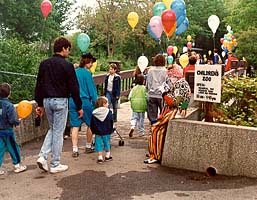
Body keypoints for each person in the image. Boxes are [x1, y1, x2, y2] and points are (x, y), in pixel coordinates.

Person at [35, 37, 83, 174]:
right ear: (63, 48)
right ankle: (55, 163)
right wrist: (79, 106)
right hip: (61, 101)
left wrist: (40, 104)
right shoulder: (67, 65)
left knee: (53, 129)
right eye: (68, 49)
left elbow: (39, 85)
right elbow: (74, 88)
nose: (68, 52)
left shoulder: (44, 64)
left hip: (47, 101)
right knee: (58, 131)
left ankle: (43, 156)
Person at [145, 65, 191, 164]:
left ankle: (155, 155)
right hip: (172, 111)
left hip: (172, 111)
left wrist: (164, 94)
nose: (170, 79)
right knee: (157, 129)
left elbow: (174, 102)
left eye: (171, 76)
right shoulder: (183, 83)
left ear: (176, 75)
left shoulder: (180, 84)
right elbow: (185, 99)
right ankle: (154, 152)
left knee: (156, 129)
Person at [69, 53, 98, 157]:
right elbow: (92, 90)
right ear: (88, 62)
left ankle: (75, 149)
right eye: (91, 63)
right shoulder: (87, 73)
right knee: (90, 124)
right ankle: (88, 146)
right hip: (84, 101)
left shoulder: (74, 72)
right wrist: (97, 102)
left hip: (72, 101)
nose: (91, 65)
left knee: (75, 126)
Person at [0, 83, 27, 175]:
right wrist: (18, 121)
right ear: (9, 93)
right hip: (8, 131)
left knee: (0, 149)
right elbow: (12, 119)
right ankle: (17, 165)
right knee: (14, 148)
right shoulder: (9, 105)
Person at [90, 96, 113, 164]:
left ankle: (100, 157)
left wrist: (93, 130)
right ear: (103, 104)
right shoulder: (109, 112)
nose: (108, 104)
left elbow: (92, 123)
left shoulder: (94, 113)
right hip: (106, 131)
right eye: (107, 103)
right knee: (107, 143)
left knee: (98, 144)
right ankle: (107, 156)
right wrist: (111, 129)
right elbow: (111, 121)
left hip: (98, 132)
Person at [146, 54, 167, 125]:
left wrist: (148, 91)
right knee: (163, 113)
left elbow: (148, 82)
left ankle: (153, 127)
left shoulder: (150, 71)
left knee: (152, 115)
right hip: (162, 95)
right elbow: (166, 83)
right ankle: (161, 127)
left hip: (152, 94)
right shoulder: (165, 71)